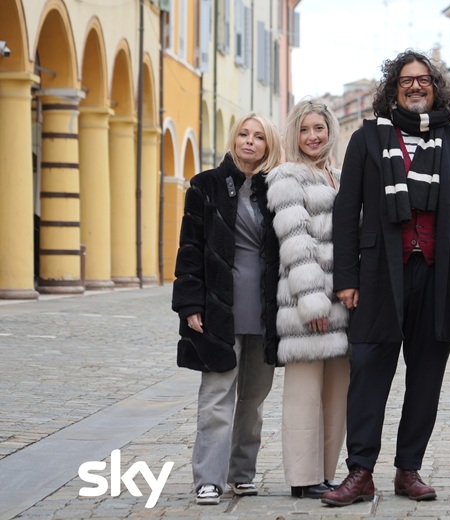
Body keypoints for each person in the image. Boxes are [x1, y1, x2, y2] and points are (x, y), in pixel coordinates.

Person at [322, 49, 450, 507]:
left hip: (437, 277)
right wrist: (346, 276)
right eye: (405, 80)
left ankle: (408, 470)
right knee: (368, 374)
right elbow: (346, 212)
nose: (415, 87)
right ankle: (360, 472)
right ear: (393, 88)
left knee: (425, 379)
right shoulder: (367, 139)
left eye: (424, 80)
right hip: (379, 275)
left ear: (436, 87)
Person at [171, 112, 282, 505]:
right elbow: (190, 250)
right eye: (243, 134)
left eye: (259, 137)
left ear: (269, 145)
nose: (249, 142)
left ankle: (241, 473)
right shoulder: (206, 186)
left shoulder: (277, 190)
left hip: (266, 311)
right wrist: (189, 304)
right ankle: (209, 479)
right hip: (219, 308)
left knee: (253, 399)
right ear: (233, 139)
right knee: (217, 395)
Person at [266, 98, 350, 499]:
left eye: (319, 128)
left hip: (344, 302)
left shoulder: (339, 176)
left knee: (338, 394)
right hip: (307, 303)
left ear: (330, 129)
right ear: (293, 135)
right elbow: (295, 242)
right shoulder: (287, 176)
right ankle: (303, 477)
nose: (313, 136)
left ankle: (327, 473)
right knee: (304, 394)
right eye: (304, 129)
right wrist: (313, 301)